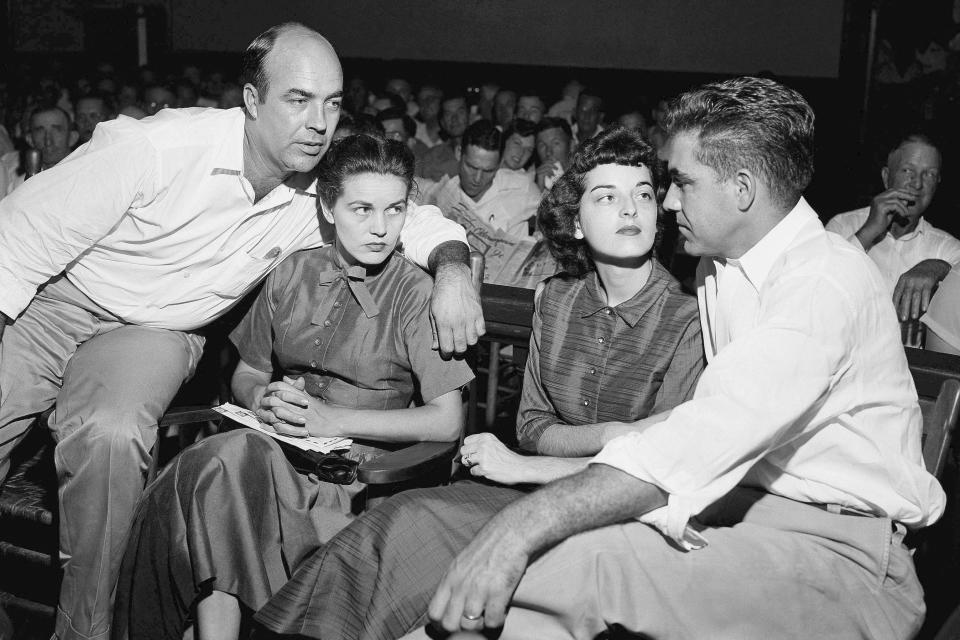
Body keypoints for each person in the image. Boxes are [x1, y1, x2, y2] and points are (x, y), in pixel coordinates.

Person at [266, 77, 944, 640]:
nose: (666, 201)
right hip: (734, 505)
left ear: (740, 190)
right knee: (530, 564)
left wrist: (519, 523)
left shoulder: (818, 282)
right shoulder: (724, 266)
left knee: (567, 568)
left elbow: (699, 435)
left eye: (674, 183)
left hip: (838, 546)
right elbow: (403, 213)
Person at [0, 23, 480, 640]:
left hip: (153, 332)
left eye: (332, 103)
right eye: (298, 100)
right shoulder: (157, 148)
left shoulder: (320, 192)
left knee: (112, 436)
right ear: (252, 102)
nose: (318, 122)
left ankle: (83, 632)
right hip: (57, 298)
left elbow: (406, 217)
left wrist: (454, 270)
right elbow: (20, 233)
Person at [253, 127, 705, 640]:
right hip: (529, 485)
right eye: (608, 197)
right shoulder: (555, 300)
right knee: (402, 520)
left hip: (622, 515)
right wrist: (619, 434)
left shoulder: (688, 319)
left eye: (644, 195)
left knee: (432, 555)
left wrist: (533, 463)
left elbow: (661, 465)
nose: (631, 210)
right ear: (576, 223)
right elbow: (533, 425)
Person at [113, 133, 475, 640]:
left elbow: (446, 418)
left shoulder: (414, 293)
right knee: (218, 462)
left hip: (360, 482)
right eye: (362, 209)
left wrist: (333, 420)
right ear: (327, 206)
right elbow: (249, 371)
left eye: (395, 210)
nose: (379, 228)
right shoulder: (291, 271)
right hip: (280, 454)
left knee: (229, 475)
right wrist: (260, 399)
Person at [825, 132, 960, 323]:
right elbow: (818, 289)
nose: (918, 183)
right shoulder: (843, 225)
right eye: (907, 171)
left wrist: (939, 266)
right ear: (886, 176)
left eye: (929, 174)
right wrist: (868, 232)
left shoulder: (946, 247)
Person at [418, 120, 541, 239]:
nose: (477, 179)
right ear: (459, 153)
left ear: (499, 164)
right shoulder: (441, 195)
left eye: (488, 171)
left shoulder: (521, 187)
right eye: (471, 167)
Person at [418, 93, 469, 181]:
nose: (454, 118)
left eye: (460, 112)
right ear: (442, 122)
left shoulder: (485, 151)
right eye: (448, 114)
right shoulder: (431, 157)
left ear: (469, 116)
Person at [534, 117, 573, 192]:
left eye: (556, 143)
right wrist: (538, 190)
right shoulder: (530, 181)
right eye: (542, 145)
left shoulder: (587, 177)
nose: (548, 152)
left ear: (571, 145)